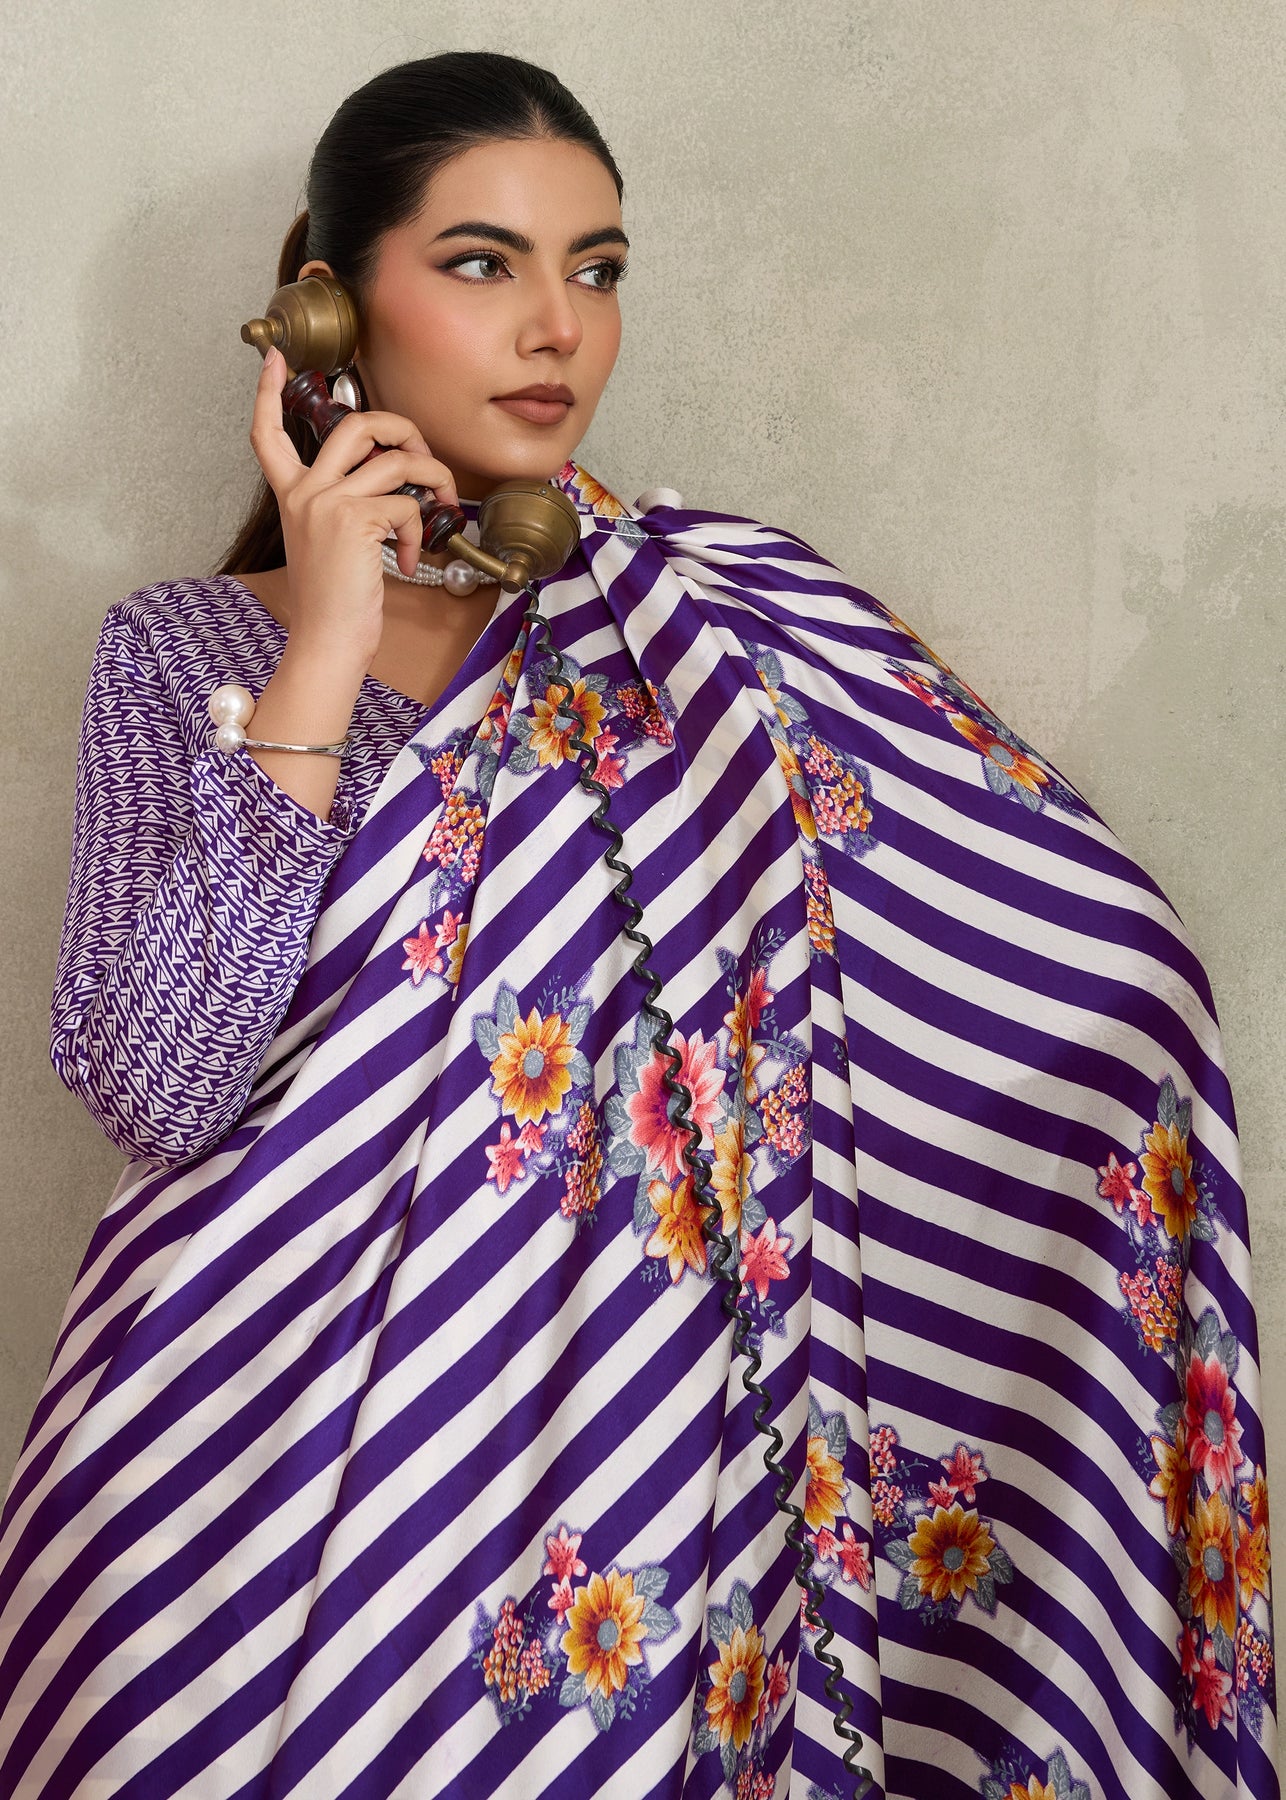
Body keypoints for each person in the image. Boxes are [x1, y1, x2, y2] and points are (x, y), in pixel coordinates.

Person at [0, 48, 1275, 1800]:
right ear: (323, 304)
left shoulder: (720, 631)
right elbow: (156, 1083)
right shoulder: (183, 648)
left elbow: (1080, 957)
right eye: (481, 262)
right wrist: (329, 639)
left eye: (594, 269)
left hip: (636, 1503)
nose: (557, 328)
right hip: (231, 1502)